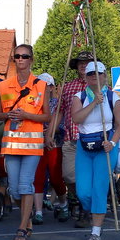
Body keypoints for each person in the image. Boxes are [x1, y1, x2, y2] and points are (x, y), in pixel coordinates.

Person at [0, 44, 50, 240]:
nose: (20, 59)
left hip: (32, 144)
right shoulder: (3, 85)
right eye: (17, 56)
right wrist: (8, 114)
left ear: (31, 60)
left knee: (26, 185)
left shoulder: (41, 85)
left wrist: (27, 115)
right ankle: (27, 220)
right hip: (11, 143)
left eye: (24, 56)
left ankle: (22, 228)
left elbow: (47, 117)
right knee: (14, 189)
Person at [71, 61, 120, 240]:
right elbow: (76, 118)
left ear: (104, 76)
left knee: (98, 188)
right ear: (85, 77)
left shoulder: (114, 98)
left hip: (106, 146)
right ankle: (96, 208)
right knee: (83, 191)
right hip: (84, 146)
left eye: (98, 73)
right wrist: (94, 102)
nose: (94, 76)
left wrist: (113, 142)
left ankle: (95, 231)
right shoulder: (80, 96)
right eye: (90, 73)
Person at [57, 51, 92, 228]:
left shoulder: (100, 87)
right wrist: (50, 133)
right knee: (68, 176)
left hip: (92, 139)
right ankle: (81, 200)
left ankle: (85, 208)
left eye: (87, 62)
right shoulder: (68, 87)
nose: (83, 65)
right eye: (80, 63)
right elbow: (60, 112)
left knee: (88, 177)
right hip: (70, 138)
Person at [33, 73, 68, 224]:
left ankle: (63, 203)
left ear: (52, 87)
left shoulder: (58, 104)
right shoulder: (34, 103)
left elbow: (62, 126)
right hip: (36, 144)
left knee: (55, 178)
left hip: (55, 144)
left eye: (45, 86)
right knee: (38, 177)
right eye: (39, 85)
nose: (42, 89)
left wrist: (51, 132)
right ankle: (38, 211)